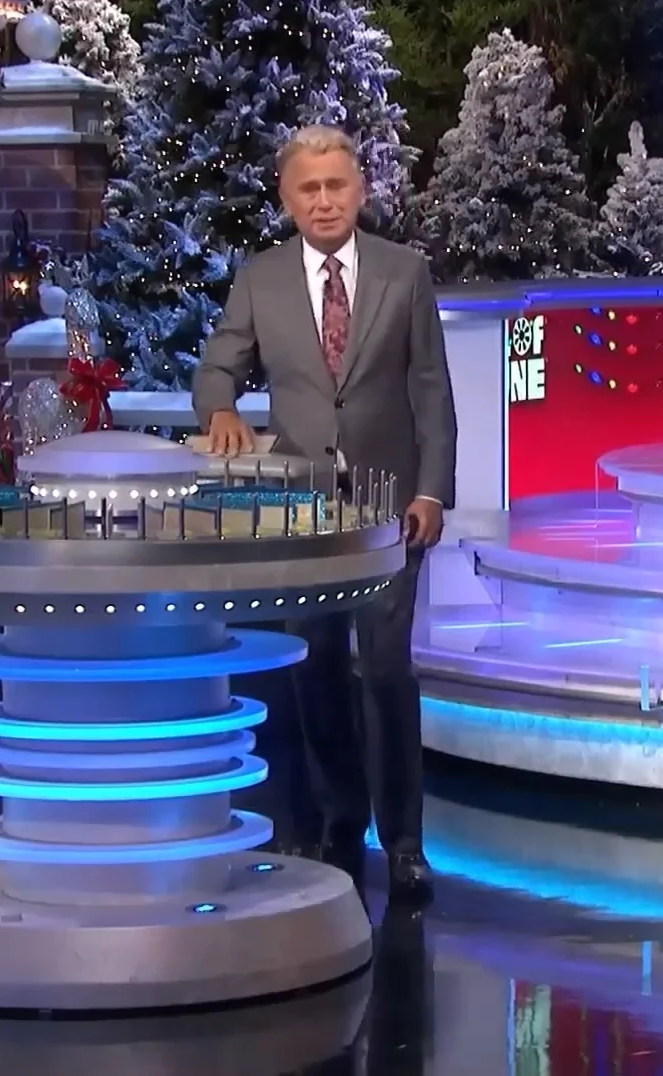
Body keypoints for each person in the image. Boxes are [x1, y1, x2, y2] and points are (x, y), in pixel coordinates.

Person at [193, 125, 457, 900]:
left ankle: (404, 844)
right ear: (287, 199)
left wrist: (431, 490)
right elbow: (216, 368)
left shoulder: (405, 273)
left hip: (390, 509)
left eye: (336, 186)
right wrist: (220, 410)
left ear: (359, 190)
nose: (323, 201)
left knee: (386, 669)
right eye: (307, 189)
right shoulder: (261, 279)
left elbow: (431, 391)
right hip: (300, 517)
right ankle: (341, 823)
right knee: (315, 669)